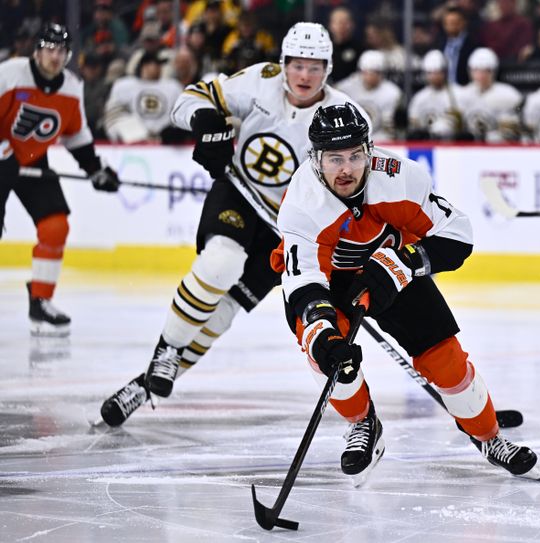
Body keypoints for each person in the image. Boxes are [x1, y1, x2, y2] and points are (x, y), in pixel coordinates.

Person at [99, 22, 369, 426]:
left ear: (328, 69)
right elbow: (188, 100)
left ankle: (144, 386)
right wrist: (208, 122)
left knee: (224, 314)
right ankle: (166, 351)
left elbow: (355, 187)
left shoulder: (344, 115)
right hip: (239, 194)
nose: (304, 75)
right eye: (297, 64)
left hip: (288, 228)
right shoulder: (260, 82)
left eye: (315, 67)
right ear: (283, 63)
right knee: (220, 262)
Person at [275, 102, 538, 483]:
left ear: (369, 151)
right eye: (334, 159)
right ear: (315, 159)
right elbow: (303, 285)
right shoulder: (301, 204)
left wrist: (403, 264)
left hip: (395, 266)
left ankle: (488, 436)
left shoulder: (399, 177)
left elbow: (458, 237)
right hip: (328, 283)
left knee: (445, 361)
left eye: (354, 156)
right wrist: (323, 331)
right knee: (332, 360)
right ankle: (363, 424)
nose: (346, 169)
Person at [0, 23, 120, 338]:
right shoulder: (11, 73)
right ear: (37, 51)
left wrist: (95, 168)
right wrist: (5, 153)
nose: (55, 57)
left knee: (55, 225)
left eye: (61, 51)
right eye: (49, 49)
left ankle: (40, 301)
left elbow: (76, 134)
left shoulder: (71, 86)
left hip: (31, 160)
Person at [335, 50, 402, 142]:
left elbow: (389, 127)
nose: (370, 76)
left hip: (380, 138)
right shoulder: (345, 88)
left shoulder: (392, 92)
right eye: (367, 72)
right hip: (351, 137)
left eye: (375, 72)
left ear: (382, 73)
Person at [459, 47, 523, 143]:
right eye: (476, 70)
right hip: (468, 146)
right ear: (470, 71)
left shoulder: (509, 94)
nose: (481, 75)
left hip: (497, 150)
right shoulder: (462, 94)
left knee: (495, 138)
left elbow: (512, 130)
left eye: (486, 70)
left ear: (493, 71)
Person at [407, 50, 467, 141]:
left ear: (445, 72)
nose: (434, 77)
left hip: (452, 144)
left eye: (437, 72)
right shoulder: (419, 98)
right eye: (430, 73)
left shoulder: (458, 94)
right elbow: (413, 124)